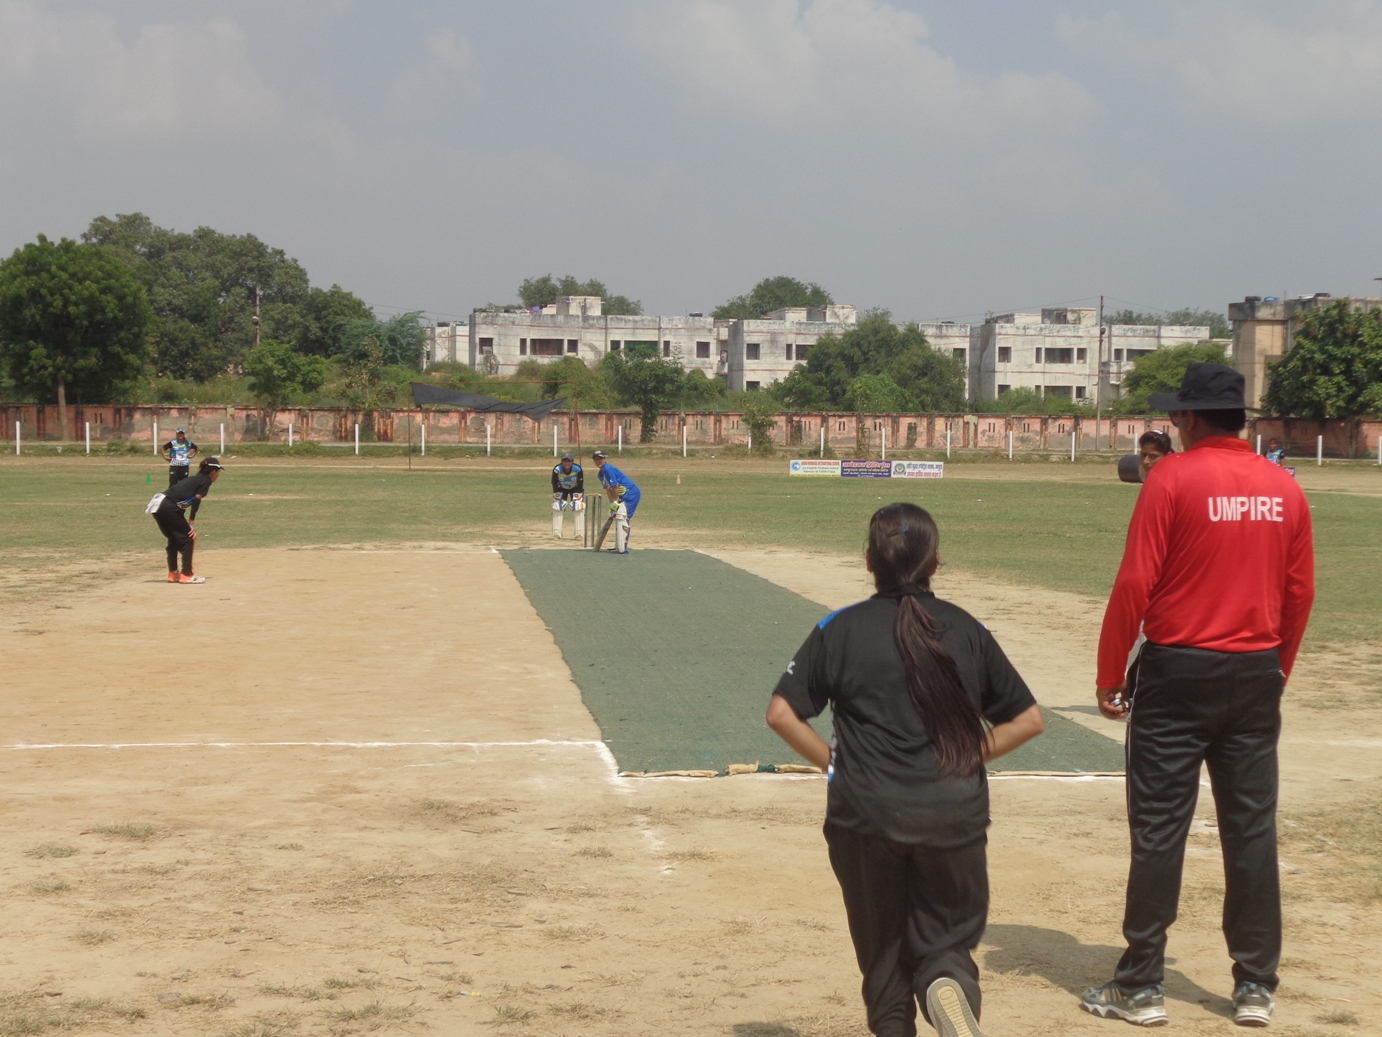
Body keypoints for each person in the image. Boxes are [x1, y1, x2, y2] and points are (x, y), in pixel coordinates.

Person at [1084, 363, 1314, 1029]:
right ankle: (1255, 985)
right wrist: (1276, 670)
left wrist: (1109, 672)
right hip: (1255, 672)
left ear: (1188, 418)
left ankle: (1141, 984)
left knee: (1160, 828)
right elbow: (1299, 593)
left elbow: (1135, 583)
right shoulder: (1283, 486)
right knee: (1251, 829)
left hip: (1178, 672)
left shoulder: (1171, 478)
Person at [767, 503, 1045, 1037]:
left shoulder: (839, 628)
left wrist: (837, 766)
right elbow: (1028, 720)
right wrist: (967, 756)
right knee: (946, 942)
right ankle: (946, 981)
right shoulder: (967, 629)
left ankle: (898, 1016)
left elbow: (782, 713)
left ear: (869, 561)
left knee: (883, 952)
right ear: (935, 562)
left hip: (865, 812)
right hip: (953, 812)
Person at [147, 456, 224, 584]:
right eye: (218, 472)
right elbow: (196, 500)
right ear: (213, 471)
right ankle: (186, 574)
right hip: (169, 506)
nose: (218, 475)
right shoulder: (206, 479)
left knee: (174, 538)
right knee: (189, 538)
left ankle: (173, 574)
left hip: (158, 506)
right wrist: (191, 523)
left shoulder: (196, 478)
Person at [592, 449, 640, 553]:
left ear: (605, 459)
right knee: (618, 516)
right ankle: (619, 545)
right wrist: (612, 504)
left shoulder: (608, 469)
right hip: (622, 495)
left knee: (623, 517)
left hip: (631, 493)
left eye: (600, 459)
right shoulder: (600, 474)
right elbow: (608, 489)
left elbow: (615, 487)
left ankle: (623, 547)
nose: (598, 461)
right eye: (596, 459)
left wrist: (615, 502)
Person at [550, 453, 586, 540]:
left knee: (577, 506)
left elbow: (580, 483)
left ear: (572, 462)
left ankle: (579, 533)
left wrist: (579, 495)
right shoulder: (557, 469)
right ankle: (556, 533)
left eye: (569, 461)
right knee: (558, 506)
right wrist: (556, 495)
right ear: (561, 462)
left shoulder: (577, 469)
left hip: (575, 488)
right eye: (564, 461)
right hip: (561, 488)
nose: (567, 463)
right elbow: (554, 483)